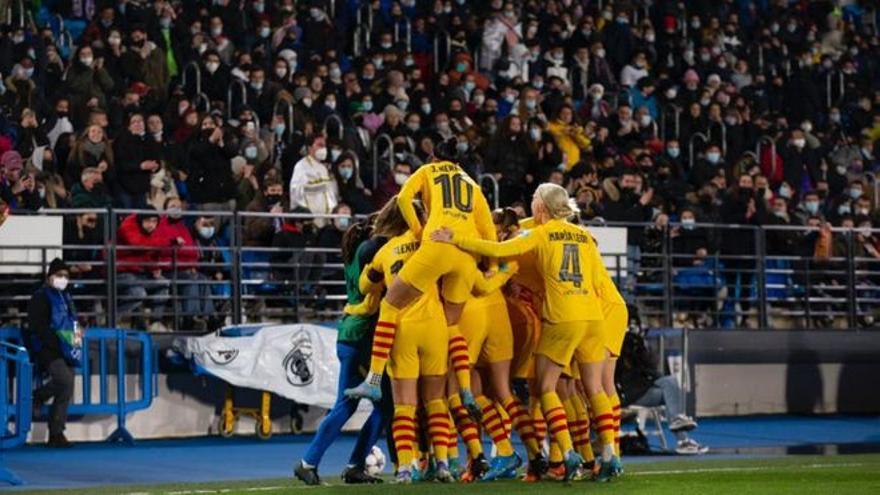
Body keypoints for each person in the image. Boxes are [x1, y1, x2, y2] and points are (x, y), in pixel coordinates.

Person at [431, 183, 627, 481]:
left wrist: (455, 237)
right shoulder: (586, 236)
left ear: (542, 208)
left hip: (563, 317)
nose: (532, 202)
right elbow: (599, 281)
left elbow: (500, 249)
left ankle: (566, 453)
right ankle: (610, 455)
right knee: (595, 388)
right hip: (594, 317)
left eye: (534, 198)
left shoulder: (543, 233)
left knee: (546, 387)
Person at [295, 214, 389, 486]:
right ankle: (322, 463)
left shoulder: (353, 255)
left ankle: (323, 463)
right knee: (371, 406)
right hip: (362, 337)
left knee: (355, 405)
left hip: (349, 334)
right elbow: (372, 300)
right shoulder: (369, 253)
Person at [615, 332, 708, 455]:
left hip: (642, 392)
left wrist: (644, 358)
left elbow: (651, 373)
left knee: (669, 387)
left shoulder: (640, 360)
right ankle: (682, 437)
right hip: (628, 396)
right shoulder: (617, 361)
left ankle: (681, 434)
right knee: (670, 385)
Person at [26, 258, 79, 448]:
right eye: (59, 275)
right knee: (65, 380)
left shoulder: (66, 297)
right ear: (49, 277)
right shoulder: (40, 297)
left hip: (65, 348)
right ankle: (38, 396)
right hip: (47, 349)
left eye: (66, 276)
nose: (63, 279)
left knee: (67, 386)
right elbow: (37, 326)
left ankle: (56, 433)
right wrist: (57, 342)